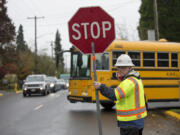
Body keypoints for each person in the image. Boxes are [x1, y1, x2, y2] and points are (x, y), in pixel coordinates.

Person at [93, 54, 147, 135]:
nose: (120, 70)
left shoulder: (129, 81)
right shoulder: (136, 78)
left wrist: (101, 86)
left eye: (123, 67)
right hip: (136, 122)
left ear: (129, 68)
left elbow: (114, 95)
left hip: (130, 124)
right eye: (118, 67)